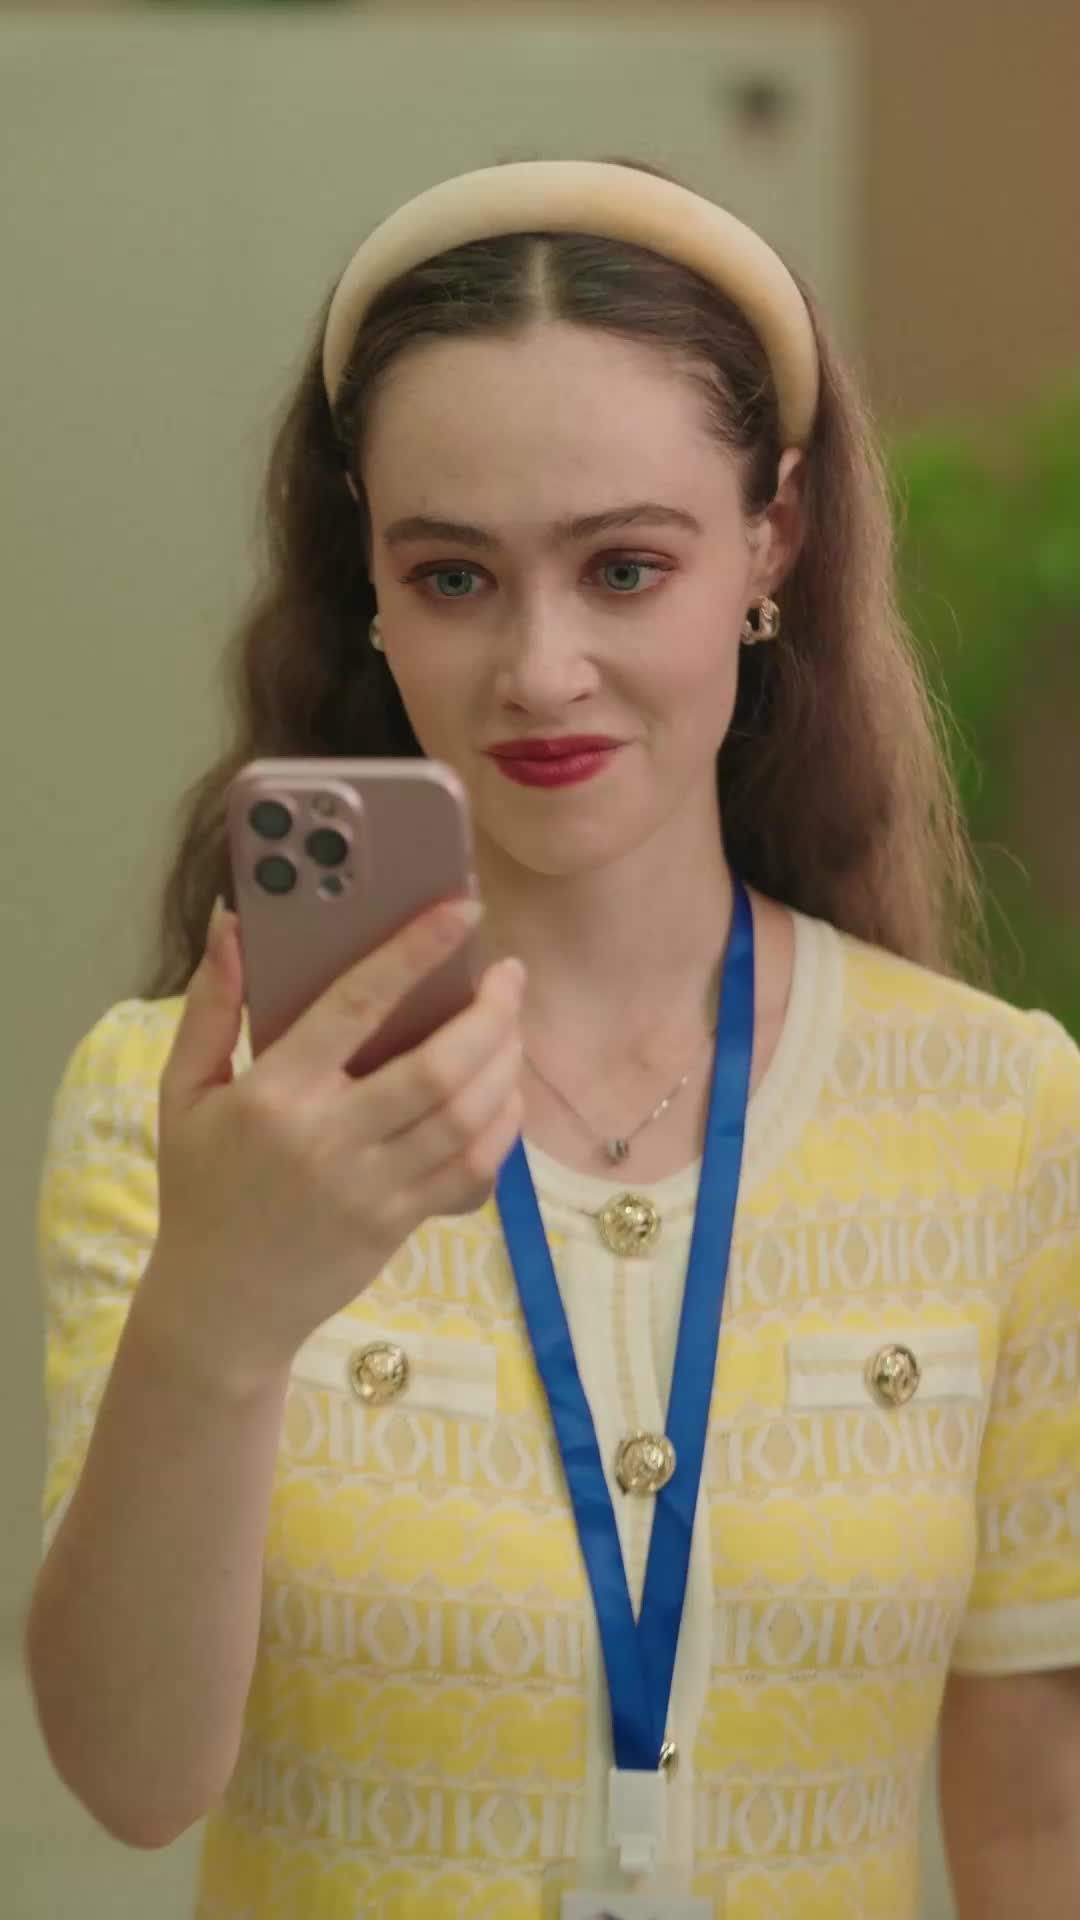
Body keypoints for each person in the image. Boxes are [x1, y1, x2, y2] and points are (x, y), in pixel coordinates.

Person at [24, 158, 1080, 1920]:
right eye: (454, 576)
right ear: (366, 575)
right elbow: (131, 1783)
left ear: (773, 537)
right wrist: (218, 1315)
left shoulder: (1004, 1110)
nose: (541, 669)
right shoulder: (188, 1111)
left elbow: (1037, 1817)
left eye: (625, 567)